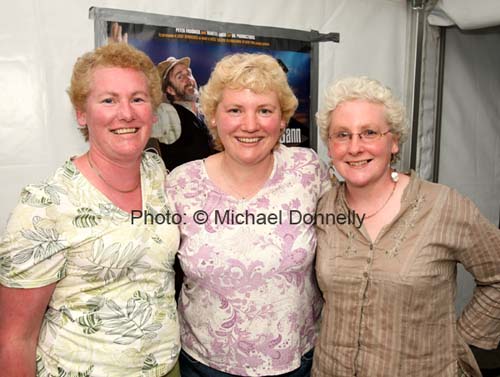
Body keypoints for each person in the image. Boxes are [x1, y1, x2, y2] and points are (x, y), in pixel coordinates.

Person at [0, 43, 180, 377]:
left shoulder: (158, 175)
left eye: (137, 99)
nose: (126, 113)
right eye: (109, 100)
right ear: (82, 113)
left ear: (153, 112)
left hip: (168, 368)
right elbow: (14, 339)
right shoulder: (45, 205)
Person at [312, 76, 500, 377]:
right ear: (330, 147)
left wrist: (458, 340)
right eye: (342, 135)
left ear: (394, 141)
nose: (355, 147)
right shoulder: (323, 208)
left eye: (369, 133)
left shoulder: (443, 205)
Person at [165, 53, 330, 376]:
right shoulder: (181, 183)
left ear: (282, 119)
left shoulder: (307, 171)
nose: (250, 125)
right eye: (235, 110)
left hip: (296, 362)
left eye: (265, 111)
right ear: (213, 116)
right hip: (205, 364)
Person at [153, 56, 215, 171]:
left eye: (189, 74)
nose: (188, 79)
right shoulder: (167, 112)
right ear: (170, 90)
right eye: (180, 77)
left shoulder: (202, 114)